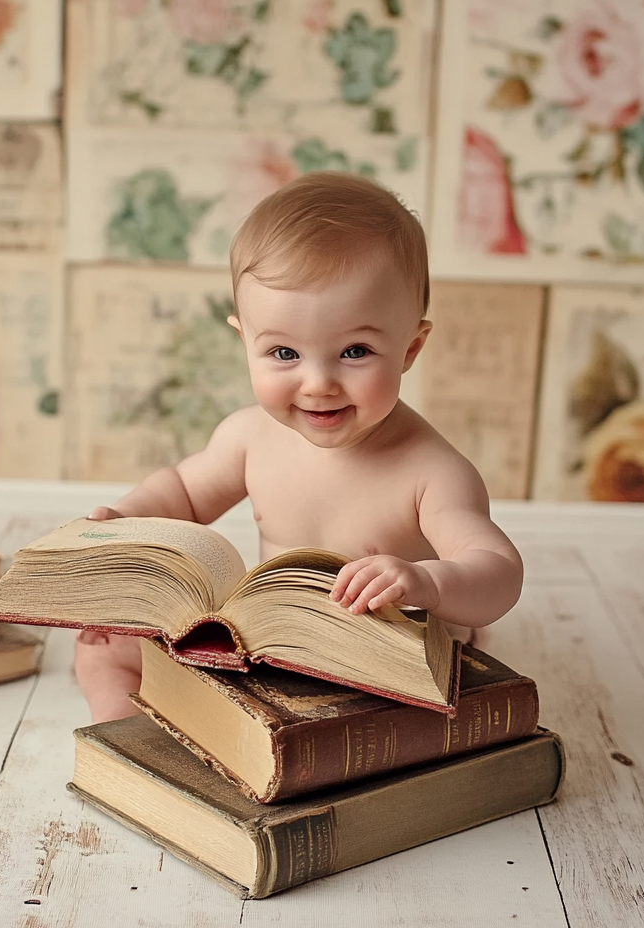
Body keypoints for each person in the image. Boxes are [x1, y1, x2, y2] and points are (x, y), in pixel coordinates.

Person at [75, 171, 524, 722]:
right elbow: (183, 494)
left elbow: (498, 571)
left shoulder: (431, 471)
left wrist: (427, 582)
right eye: (284, 354)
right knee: (104, 648)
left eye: (355, 351)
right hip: (275, 642)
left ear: (410, 347)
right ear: (245, 341)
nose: (318, 384)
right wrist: (125, 521)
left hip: (384, 659)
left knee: (399, 707)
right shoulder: (249, 437)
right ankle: (125, 737)